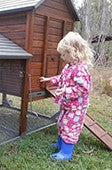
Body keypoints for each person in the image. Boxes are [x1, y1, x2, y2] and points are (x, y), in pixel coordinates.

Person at [40, 31, 93, 161]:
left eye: (64, 54)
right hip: (67, 104)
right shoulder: (69, 66)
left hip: (76, 107)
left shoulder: (80, 69)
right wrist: (50, 79)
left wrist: (65, 91)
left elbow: (84, 88)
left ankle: (66, 153)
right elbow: (62, 78)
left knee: (70, 127)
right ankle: (60, 144)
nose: (62, 57)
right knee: (61, 123)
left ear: (73, 52)